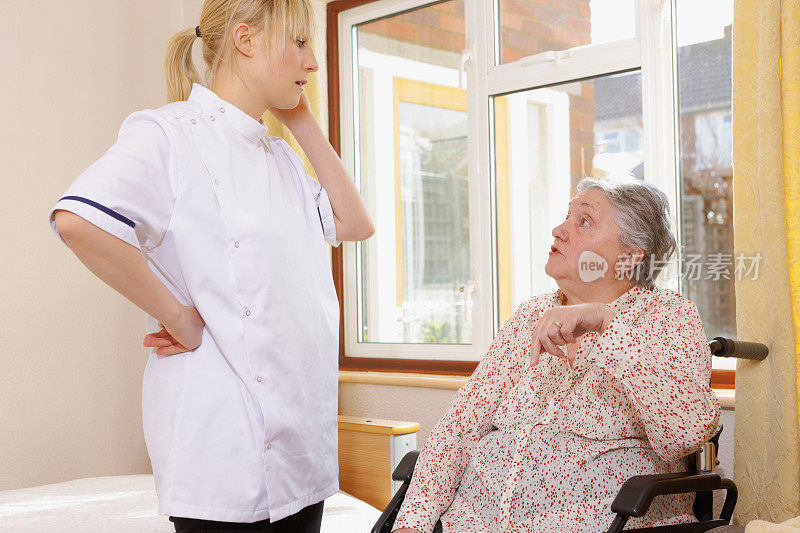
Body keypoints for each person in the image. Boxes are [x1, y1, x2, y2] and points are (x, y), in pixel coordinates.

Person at [48, 1, 373, 531]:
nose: (312, 62)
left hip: (301, 456)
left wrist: (301, 119)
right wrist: (177, 316)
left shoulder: (281, 156)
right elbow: (77, 221)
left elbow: (355, 223)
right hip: (225, 455)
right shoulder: (170, 133)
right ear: (245, 40)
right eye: (299, 43)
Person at [392, 177, 720, 533]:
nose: (559, 230)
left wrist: (608, 323)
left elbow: (686, 432)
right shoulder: (531, 315)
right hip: (469, 523)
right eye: (567, 217)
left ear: (628, 257)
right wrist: (413, 522)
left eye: (584, 221)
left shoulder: (666, 316)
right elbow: (459, 428)